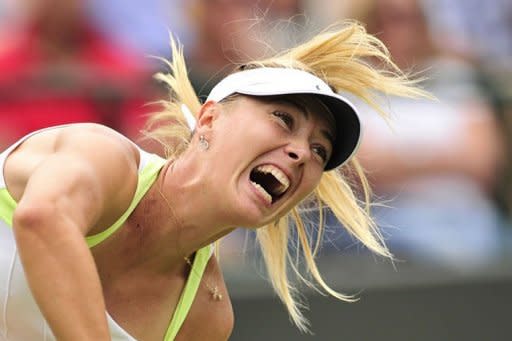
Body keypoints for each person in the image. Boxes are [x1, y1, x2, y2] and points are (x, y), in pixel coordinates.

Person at [0, 21, 426, 340]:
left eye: (320, 150)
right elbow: (42, 219)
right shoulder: (104, 158)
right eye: (283, 119)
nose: (301, 153)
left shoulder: (206, 315)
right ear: (209, 119)